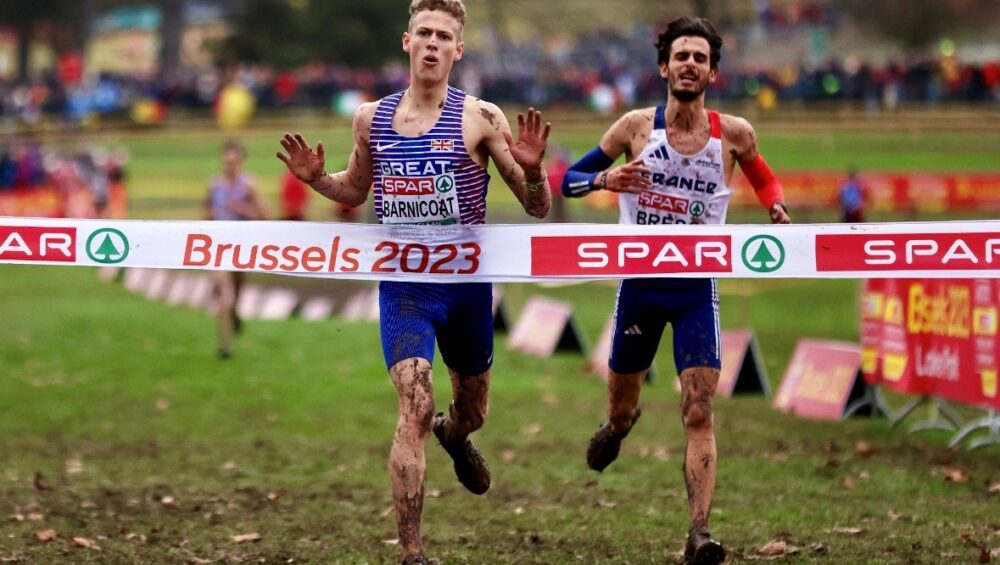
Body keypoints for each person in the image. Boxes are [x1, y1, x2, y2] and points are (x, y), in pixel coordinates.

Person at [275, 1, 551, 562]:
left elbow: (536, 207)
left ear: (458, 49)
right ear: (406, 42)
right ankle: (412, 553)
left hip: (467, 289)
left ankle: (458, 437)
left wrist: (537, 170)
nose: (431, 43)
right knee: (415, 405)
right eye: (423, 32)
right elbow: (354, 190)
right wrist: (314, 181)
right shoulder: (370, 118)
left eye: (442, 35)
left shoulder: (481, 117)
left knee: (470, 411)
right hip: (405, 290)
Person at [561, 17, 791, 565]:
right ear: (664, 67)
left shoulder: (735, 133)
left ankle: (700, 534)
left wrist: (776, 206)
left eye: (700, 56)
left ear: (713, 70)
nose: (690, 64)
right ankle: (618, 428)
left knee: (698, 411)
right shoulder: (635, 128)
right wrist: (604, 180)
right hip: (639, 288)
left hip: (695, 289)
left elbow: (764, 178)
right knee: (623, 408)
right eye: (680, 55)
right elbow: (567, 179)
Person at [204, 139, 266, 359]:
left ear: (240, 162)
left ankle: (235, 312)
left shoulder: (249, 184)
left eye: (234, 161)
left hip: (241, 247)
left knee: (235, 293)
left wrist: (242, 208)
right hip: (218, 247)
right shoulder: (214, 185)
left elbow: (263, 216)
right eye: (227, 161)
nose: (230, 165)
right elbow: (205, 214)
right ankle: (225, 345)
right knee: (224, 293)